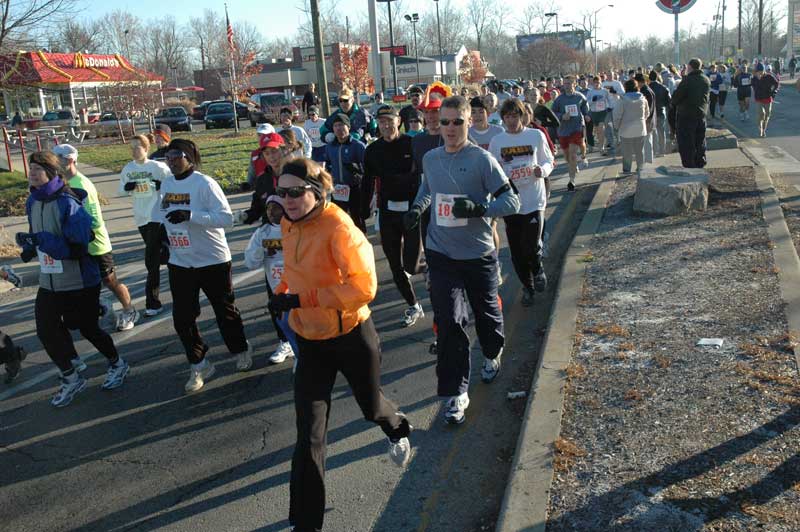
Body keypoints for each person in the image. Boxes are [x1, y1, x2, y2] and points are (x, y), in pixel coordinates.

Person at [268, 158, 413, 532]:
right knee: (310, 436)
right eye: (282, 192)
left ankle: (396, 427)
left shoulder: (339, 227)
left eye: (296, 192)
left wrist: (304, 300)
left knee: (371, 407)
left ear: (316, 192)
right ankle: (307, 524)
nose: (289, 200)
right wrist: (284, 292)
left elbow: (365, 288)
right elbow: (295, 270)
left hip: (351, 335)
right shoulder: (288, 222)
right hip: (310, 341)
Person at [404, 95, 520, 425]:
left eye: (458, 121)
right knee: (450, 322)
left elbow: (510, 201)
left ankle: (493, 351)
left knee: (486, 315)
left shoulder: (482, 160)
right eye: (445, 122)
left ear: (469, 122)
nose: (451, 128)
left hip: (478, 253)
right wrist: (416, 209)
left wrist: (480, 209)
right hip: (441, 253)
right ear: (437, 124)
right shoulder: (430, 158)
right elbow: (428, 189)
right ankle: (456, 394)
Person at [16, 151, 129, 406]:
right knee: (46, 330)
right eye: (31, 168)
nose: (32, 173)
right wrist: (29, 246)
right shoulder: (33, 201)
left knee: (87, 328)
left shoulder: (68, 202)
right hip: (50, 281)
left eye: (38, 169)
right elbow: (38, 234)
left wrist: (42, 240)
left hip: (79, 279)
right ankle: (70, 377)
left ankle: (117, 363)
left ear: (52, 173)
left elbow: (78, 247)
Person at [156, 139, 253, 392]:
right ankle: (199, 363)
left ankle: (240, 349)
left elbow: (226, 219)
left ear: (190, 157)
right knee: (183, 318)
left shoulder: (204, 183)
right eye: (168, 156)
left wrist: (190, 216)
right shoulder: (166, 184)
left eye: (177, 155)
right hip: (180, 262)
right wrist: (162, 242)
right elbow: (161, 215)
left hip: (212, 260)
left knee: (225, 311)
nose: (172, 160)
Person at [51, 144, 139, 331]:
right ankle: (102, 307)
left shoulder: (81, 184)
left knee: (110, 281)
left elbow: (94, 219)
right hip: (78, 244)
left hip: (96, 243)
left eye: (57, 158)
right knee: (83, 283)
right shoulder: (61, 182)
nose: (54, 162)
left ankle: (129, 309)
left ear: (69, 160)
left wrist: (82, 233)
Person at [364, 105, 425, 327]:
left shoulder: (412, 144)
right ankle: (413, 305)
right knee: (394, 265)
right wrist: (362, 214)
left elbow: (425, 174)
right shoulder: (372, 150)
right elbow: (367, 182)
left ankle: (427, 268)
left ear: (399, 121)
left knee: (410, 264)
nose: (386, 126)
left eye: (390, 121)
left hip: (412, 212)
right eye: (382, 122)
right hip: (388, 213)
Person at [489, 98, 552, 307]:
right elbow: (492, 170)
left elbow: (548, 160)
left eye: (515, 116)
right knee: (516, 251)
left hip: (534, 199)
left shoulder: (535, 135)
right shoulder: (498, 141)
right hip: (511, 202)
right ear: (503, 118)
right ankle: (528, 287)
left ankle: (538, 269)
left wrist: (541, 171)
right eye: (507, 117)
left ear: (522, 115)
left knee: (531, 245)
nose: (511, 120)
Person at [116, 135, 171, 317]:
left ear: (146, 149)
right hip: (141, 219)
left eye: (137, 147)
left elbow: (174, 183)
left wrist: (160, 185)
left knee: (151, 260)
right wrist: (128, 187)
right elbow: (121, 190)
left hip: (158, 217)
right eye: (131, 147)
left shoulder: (157, 167)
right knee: (165, 256)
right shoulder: (128, 169)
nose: (133, 150)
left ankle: (152, 302)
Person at [244, 195, 298, 363]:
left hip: (298, 281)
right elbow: (251, 263)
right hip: (276, 283)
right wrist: (263, 249)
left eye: (276, 208)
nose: (271, 212)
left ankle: (303, 351)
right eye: (268, 208)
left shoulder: (296, 227)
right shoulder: (262, 233)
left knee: (301, 315)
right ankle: (285, 343)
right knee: (279, 315)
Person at [324, 113, 368, 233]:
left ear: (348, 127)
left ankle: (361, 245)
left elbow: (368, 170)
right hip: (337, 189)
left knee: (357, 220)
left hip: (354, 189)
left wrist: (357, 171)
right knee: (338, 221)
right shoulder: (330, 147)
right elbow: (327, 165)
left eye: (342, 125)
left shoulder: (358, 146)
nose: (339, 128)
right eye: (336, 126)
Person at [551, 76, 590, 191]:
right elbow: (553, 113)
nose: (567, 86)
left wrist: (587, 115)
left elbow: (585, 108)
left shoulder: (580, 97)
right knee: (567, 156)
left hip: (577, 128)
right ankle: (574, 166)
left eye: (569, 83)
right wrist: (562, 116)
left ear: (574, 84)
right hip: (563, 130)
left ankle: (571, 180)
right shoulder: (559, 99)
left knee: (573, 154)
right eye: (565, 84)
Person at [670, 58, 710, 169]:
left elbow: (675, 99)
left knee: (687, 143)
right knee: (700, 140)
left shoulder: (687, 81)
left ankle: (689, 165)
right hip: (701, 115)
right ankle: (700, 162)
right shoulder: (706, 80)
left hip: (686, 116)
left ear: (690, 67)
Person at [242, 133, 285, 226]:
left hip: (296, 230)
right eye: (267, 153)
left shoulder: (296, 174)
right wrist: (245, 216)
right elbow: (258, 208)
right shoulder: (262, 179)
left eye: (274, 151)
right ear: (262, 156)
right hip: (272, 233)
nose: (271, 156)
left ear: (283, 150)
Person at [614, 79, 649, 175]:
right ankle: (641, 168)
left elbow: (617, 115)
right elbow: (647, 113)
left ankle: (627, 170)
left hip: (626, 129)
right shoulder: (643, 99)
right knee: (640, 151)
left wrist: (617, 127)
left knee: (627, 152)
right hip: (640, 128)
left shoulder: (622, 100)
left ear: (626, 88)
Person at [752, 63, 780, 137]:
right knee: (761, 114)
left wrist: (774, 91)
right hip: (759, 99)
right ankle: (760, 129)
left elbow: (776, 84)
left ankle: (764, 130)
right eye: (758, 71)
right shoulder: (754, 78)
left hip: (768, 98)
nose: (760, 73)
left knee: (767, 116)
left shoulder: (769, 76)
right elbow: (751, 85)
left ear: (764, 71)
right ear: (756, 72)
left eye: (761, 71)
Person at [246, 123, 278, 189]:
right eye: (259, 135)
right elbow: (251, 173)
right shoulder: (255, 154)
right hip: (261, 191)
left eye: (265, 135)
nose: (261, 137)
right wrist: (248, 184)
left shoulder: (279, 151)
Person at [648, 70, 672, 157]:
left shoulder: (647, 89)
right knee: (661, 131)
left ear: (649, 78)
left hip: (650, 114)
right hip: (661, 112)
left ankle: (654, 150)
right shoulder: (664, 88)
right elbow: (669, 102)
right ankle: (662, 151)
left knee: (652, 132)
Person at [586, 77, 611, 156]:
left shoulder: (604, 91)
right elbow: (587, 103)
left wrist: (609, 107)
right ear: (593, 83)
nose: (597, 84)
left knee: (601, 129)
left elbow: (609, 100)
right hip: (594, 113)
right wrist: (593, 100)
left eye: (598, 82)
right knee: (598, 131)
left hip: (602, 112)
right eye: (595, 82)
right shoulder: (590, 92)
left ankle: (602, 148)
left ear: (601, 83)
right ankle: (601, 145)